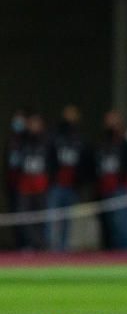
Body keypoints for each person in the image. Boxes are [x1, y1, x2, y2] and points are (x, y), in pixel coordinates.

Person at [46, 105, 90, 252]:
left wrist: (80, 182)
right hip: (56, 184)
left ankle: (63, 248)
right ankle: (50, 246)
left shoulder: (80, 139)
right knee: (51, 217)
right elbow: (49, 158)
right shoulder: (55, 136)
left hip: (72, 185)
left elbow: (85, 163)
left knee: (67, 219)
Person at [94, 110, 127, 250]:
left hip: (119, 188)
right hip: (104, 188)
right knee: (108, 224)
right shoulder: (101, 142)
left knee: (122, 222)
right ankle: (112, 254)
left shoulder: (124, 143)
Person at [16, 112, 49, 250]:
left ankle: (41, 246)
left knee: (41, 218)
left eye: (37, 123)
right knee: (24, 216)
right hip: (25, 186)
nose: (34, 126)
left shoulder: (47, 142)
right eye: (31, 123)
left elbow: (52, 164)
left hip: (41, 186)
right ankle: (32, 244)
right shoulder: (21, 141)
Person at [5, 108, 29, 249]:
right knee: (15, 217)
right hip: (12, 186)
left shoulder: (27, 140)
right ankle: (19, 245)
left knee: (28, 217)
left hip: (26, 186)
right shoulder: (11, 141)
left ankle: (30, 245)